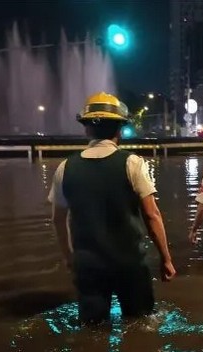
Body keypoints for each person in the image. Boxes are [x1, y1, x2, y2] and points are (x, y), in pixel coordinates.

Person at [48, 92, 176, 325]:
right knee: (140, 324)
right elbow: (151, 215)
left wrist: (69, 257)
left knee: (92, 329)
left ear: (86, 129)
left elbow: (58, 219)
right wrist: (165, 259)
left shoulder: (65, 168)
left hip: (89, 265)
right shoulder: (133, 163)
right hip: (130, 263)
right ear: (119, 129)